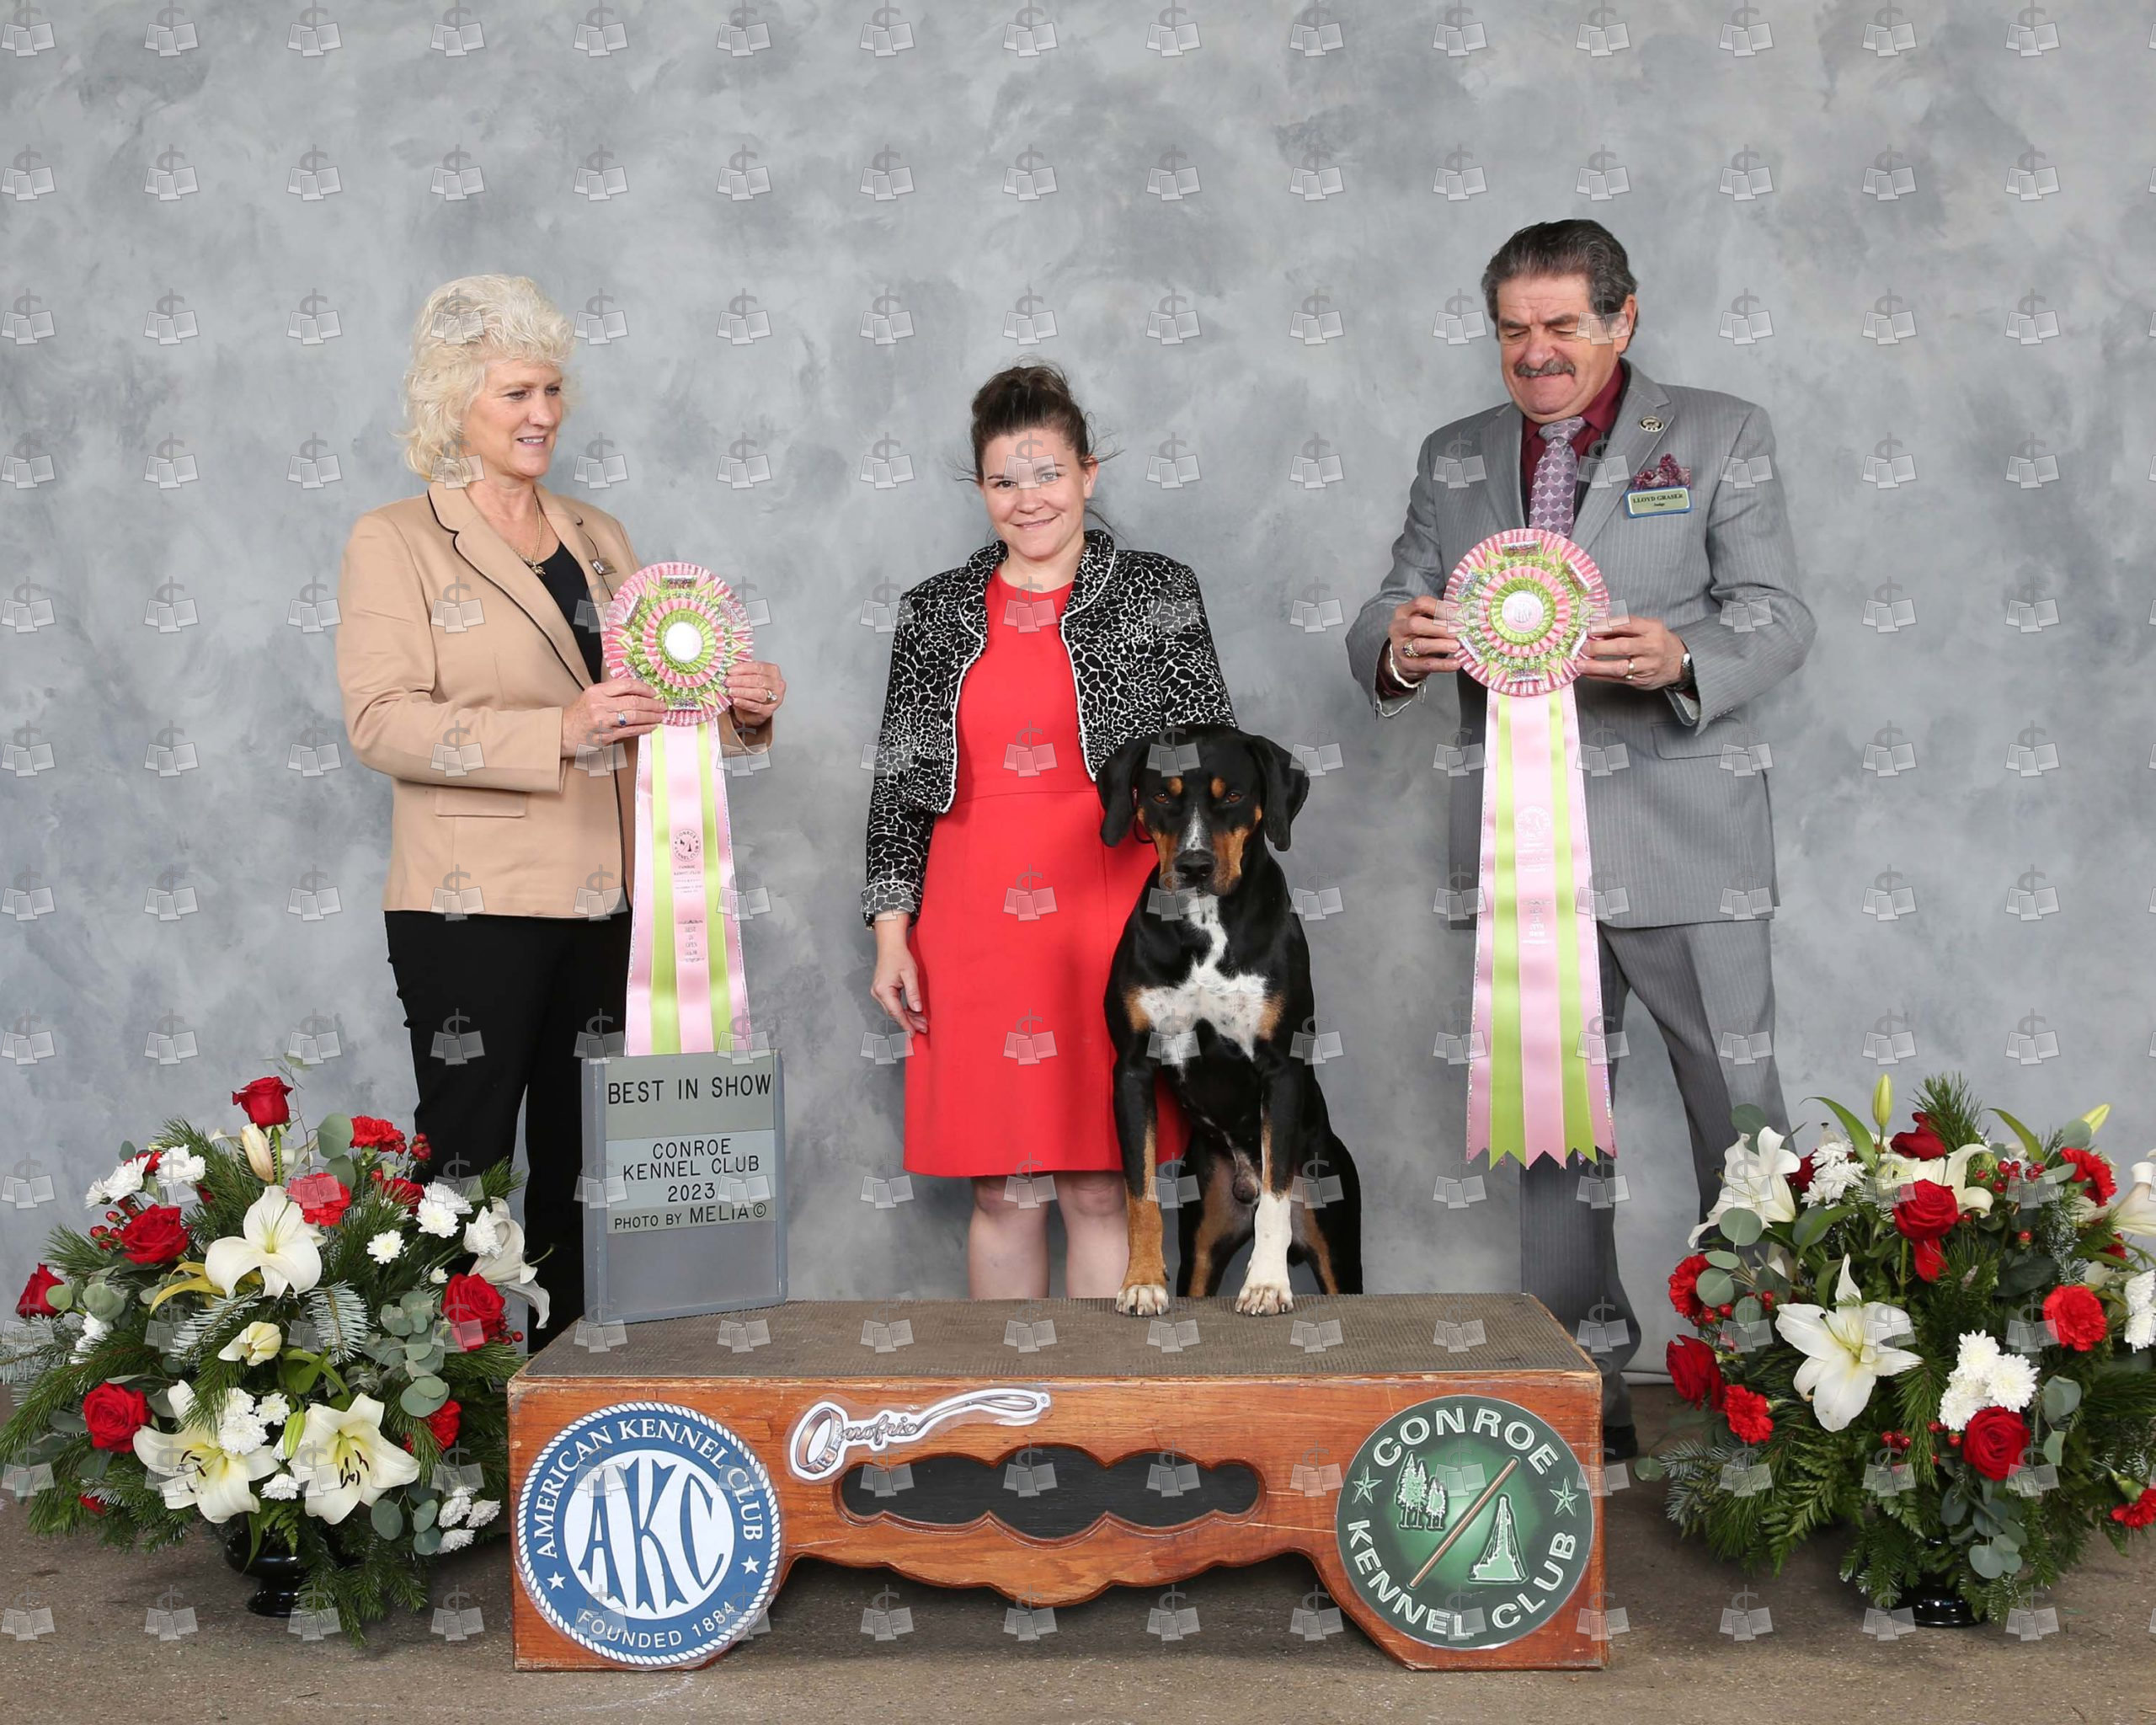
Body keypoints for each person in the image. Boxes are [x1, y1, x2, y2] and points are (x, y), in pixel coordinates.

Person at [1345, 221, 1814, 1458]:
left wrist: (1684, 655)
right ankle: (1576, 1397)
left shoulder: (1721, 432)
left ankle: (1775, 1397)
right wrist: (1400, 641)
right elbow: (1386, 603)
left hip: (1690, 840)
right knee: (1550, 1131)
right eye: (1513, 330)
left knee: (1741, 1120)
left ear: (1623, 318)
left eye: (1561, 326)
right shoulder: (1454, 455)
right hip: (1523, 855)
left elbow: (1778, 615)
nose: (1535, 353)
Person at [335, 275, 787, 1350]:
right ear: (454, 404)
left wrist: (736, 708)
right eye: (515, 394)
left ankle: (570, 1390)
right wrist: (556, 730)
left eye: (550, 390)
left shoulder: (598, 532)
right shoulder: (394, 538)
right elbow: (380, 721)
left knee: (590, 1167)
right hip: (472, 904)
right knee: (465, 1161)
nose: (542, 413)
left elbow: (650, 700)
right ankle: (435, 1406)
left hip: (614, 899)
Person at [864, 361, 1235, 1299]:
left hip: (1116, 916)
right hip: (971, 919)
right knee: (1003, 1189)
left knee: (1105, 1182)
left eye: (1047, 474)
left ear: (1088, 473)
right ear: (980, 488)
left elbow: (1211, 772)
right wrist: (891, 935)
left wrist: (1204, 926)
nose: (1027, 498)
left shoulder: (1158, 590)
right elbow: (899, 787)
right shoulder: (934, 612)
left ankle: (1104, 1387)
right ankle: (1007, 1388)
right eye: (1003, 480)